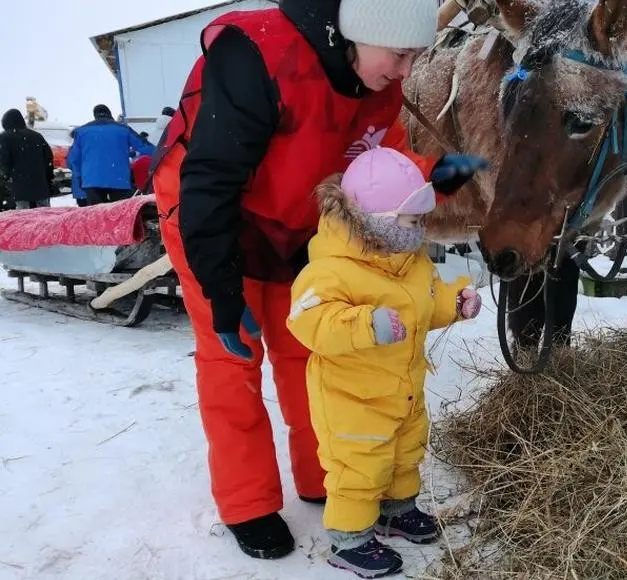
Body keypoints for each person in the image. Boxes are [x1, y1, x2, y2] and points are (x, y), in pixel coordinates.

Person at [149, 0, 487, 561]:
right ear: (362, 32)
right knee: (233, 359)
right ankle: (247, 502)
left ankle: (325, 476)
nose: (406, 71)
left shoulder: (376, 75)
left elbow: (381, 162)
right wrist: (224, 294)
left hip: (297, 223)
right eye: (401, 56)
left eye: (414, 58)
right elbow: (207, 183)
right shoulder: (257, 56)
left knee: (309, 349)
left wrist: (439, 175)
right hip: (208, 217)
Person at [287, 146, 482, 578]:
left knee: (405, 452)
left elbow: (425, 305)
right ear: (378, 223)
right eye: (411, 222)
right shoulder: (331, 270)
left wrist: (455, 302)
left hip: (403, 390)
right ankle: (349, 539)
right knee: (360, 464)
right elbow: (307, 319)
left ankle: (398, 511)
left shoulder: (410, 264)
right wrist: (363, 324)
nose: (420, 231)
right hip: (352, 399)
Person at [67, 104, 155, 205]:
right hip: (119, 181)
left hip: (92, 183)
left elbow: (72, 160)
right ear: (110, 115)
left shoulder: (81, 132)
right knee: (120, 216)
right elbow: (147, 148)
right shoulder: (123, 129)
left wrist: (79, 180)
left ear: (95, 115)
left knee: (97, 217)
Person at [0, 109, 54, 210]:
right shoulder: (37, 136)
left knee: (24, 219)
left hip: (19, 187)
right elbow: (48, 159)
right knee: (45, 217)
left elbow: (3, 162)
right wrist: (48, 178)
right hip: (40, 186)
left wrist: (6, 178)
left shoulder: (4, 137)